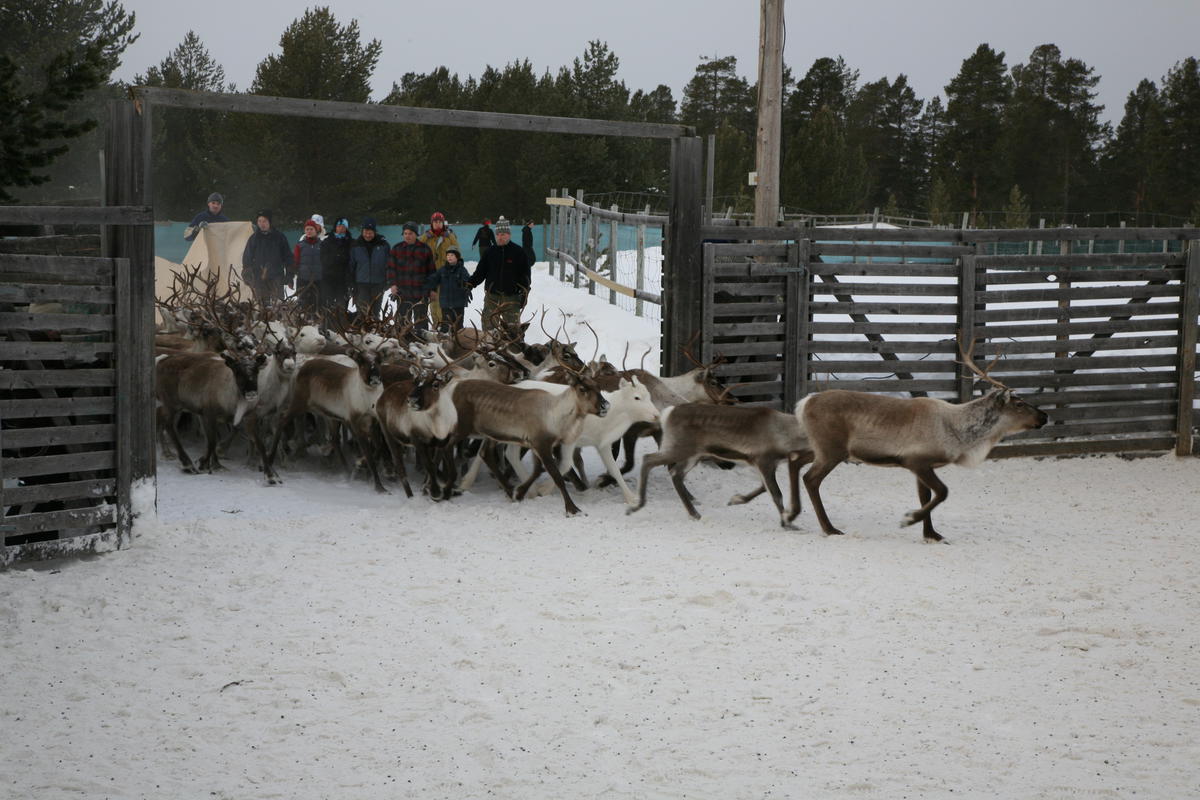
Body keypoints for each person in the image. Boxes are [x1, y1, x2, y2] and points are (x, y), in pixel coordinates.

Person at [468, 216, 530, 334]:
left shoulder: (518, 252)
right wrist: (469, 284)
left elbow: (525, 275)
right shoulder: (490, 252)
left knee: (513, 333)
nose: (500, 237)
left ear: (509, 234)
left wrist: (524, 292)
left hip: (511, 298)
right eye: (498, 235)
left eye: (503, 234)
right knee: (489, 331)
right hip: (492, 297)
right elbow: (480, 272)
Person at [387, 222, 437, 331]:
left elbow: (432, 271)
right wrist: (393, 284)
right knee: (403, 323)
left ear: (416, 234)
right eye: (405, 233)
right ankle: (403, 343)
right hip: (403, 293)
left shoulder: (425, 249)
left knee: (421, 323)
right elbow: (391, 269)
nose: (407, 236)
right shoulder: (396, 249)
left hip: (421, 293)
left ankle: (422, 344)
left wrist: (433, 289)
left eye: (410, 233)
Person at [419, 211, 459, 328]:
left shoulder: (449, 237)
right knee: (433, 302)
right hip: (431, 275)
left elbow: (458, 253)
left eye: (439, 221)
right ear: (431, 223)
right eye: (435, 221)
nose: (437, 224)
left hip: (446, 275)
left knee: (444, 302)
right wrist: (426, 236)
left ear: (443, 223)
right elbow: (417, 247)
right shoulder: (426, 237)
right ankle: (436, 325)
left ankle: (445, 326)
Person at [240, 209, 291, 301]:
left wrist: (289, 274)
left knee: (278, 306)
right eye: (259, 221)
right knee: (262, 307)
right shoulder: (254, 238)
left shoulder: (279, 237)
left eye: (264, 221)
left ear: (270, 222)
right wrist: (247, 274)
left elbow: (288, 257)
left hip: (277, 277)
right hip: (259, 278)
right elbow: (247, 257)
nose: (261, 224)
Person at [348, 218, 390, 323]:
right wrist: (351, 283)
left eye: (370, 232)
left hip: (378, 284)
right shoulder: (355, 246)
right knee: (362, 312)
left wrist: (387, 282)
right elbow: (351, 266)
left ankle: (374, 335)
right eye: (366, 232)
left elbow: (389, 265)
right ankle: (363, 333)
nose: (368, 235)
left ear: (374, 232)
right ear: (362, 231)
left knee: (375, 312)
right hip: (361, 284)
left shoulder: (384, 245)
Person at [424, 248, 472, 331]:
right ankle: (446, 341)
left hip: (458, 303)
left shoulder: (462, 270)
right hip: (445, 303)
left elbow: (468, 281)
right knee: (446, 326)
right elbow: (433, 279)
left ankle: (458, 342)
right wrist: (425, 284)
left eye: (452, 255)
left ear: (457, 257)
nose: (449, 257)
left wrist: (467, 287)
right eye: (448, 255)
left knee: (458, 325)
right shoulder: (442, 270)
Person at [319, 217, 353, 313]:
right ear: (335, 227)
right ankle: (326, 326)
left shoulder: (351, 242)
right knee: (327, 306)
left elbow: (352, 261)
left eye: (343, 226)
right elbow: (322, 259)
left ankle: (340, 325)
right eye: (339, 226)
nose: (341, 228)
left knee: (341, 306)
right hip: (328, 279)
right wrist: (335, 258)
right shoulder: (326, 242)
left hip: (344, 280)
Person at [292, 218, 323, 314]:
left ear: (316, 230)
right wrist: (292, 274)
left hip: (318, 281)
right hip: (303, 280)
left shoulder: (322, 245)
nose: (309, 231)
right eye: (307, 229)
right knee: (302, 305)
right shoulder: (299, 246)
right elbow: (295, 262)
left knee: (317, 305)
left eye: (311, 229)